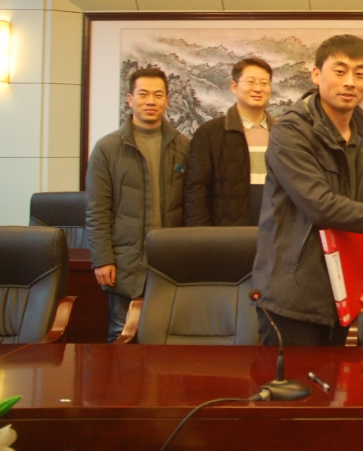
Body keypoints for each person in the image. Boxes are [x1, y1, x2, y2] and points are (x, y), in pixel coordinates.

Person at [251, 35, 363, 346]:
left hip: (342, 292)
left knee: (336, 376)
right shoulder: (290, 132)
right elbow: (321, 206)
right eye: (340, 71)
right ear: (316, 74)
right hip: (291, 295)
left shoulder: (362, 133)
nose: (350, 81)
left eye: (360, 74)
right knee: (293, 378)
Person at [86, 67, 190, 342]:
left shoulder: (184, 146)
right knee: (123, 336)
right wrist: (103, 259)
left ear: (167, 101)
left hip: (170, 262)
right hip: (125, 263)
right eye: (143, 94)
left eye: (158, 95)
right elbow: (97, 210)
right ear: (130, 99)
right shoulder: (107, 148)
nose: (150, 101)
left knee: (170, 340)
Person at [184, 57, 276, 227]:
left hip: (274, 231)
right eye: (250, 82)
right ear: (234, 86)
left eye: (264, 83)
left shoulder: (283, 134)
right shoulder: (210, 133)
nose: (258, 88)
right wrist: (200, 235)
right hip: (226, 234)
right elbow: (196, 190)